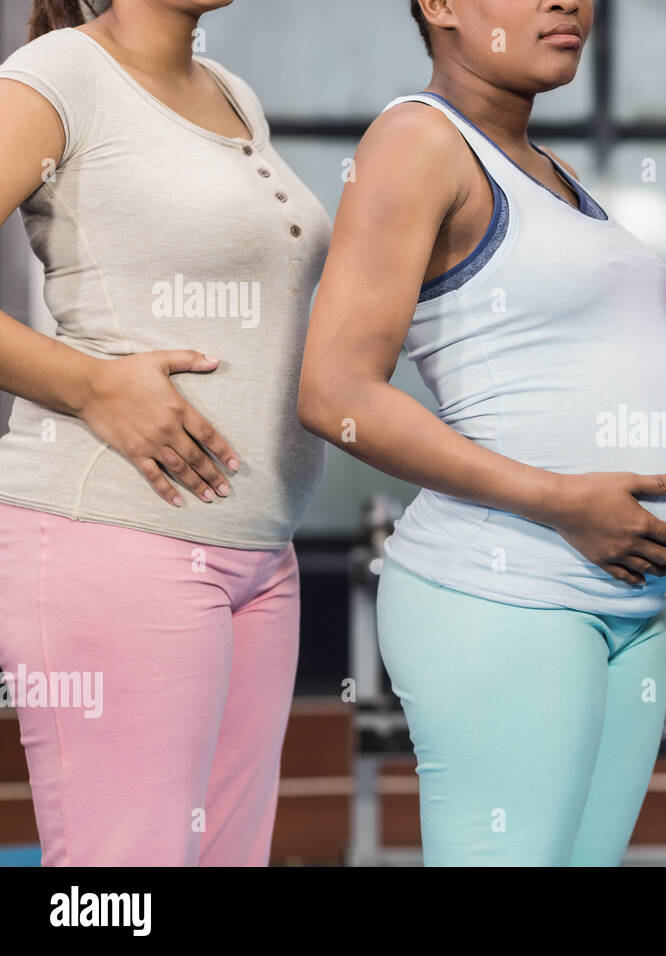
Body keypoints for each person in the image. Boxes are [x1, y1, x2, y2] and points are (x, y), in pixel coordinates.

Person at [297, 0, 666, 866]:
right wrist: (564, 499)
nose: (570, 1)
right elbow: (334, 391)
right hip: (504, 594)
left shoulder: (551, 175)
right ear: (442, 6)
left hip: (629, 604)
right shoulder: (417, 142)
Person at [0, 0, 330, 865]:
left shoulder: (230, 91)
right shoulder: (59, 75)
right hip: (115, 529)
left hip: (260, 551)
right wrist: (92, 385)